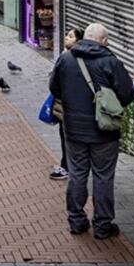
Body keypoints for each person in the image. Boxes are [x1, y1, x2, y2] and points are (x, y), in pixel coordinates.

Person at [48, 24, 134, 240]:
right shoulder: (111, 61)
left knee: (77, 173)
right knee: (103, 176)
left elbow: (54, 87)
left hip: (73, 129)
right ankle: (103, 225)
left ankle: (77, 221)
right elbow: (127, 94)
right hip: (104, 130)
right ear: (104, 41)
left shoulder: (66, 59)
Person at [49, 28, 85, 181]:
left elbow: (54, 85)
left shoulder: (65, 58)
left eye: (71, 36)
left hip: (68, 106)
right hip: (82, 107)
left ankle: (67, 167)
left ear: (78, 41)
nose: (66, 37)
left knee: (66, 136)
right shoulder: (86, 57)